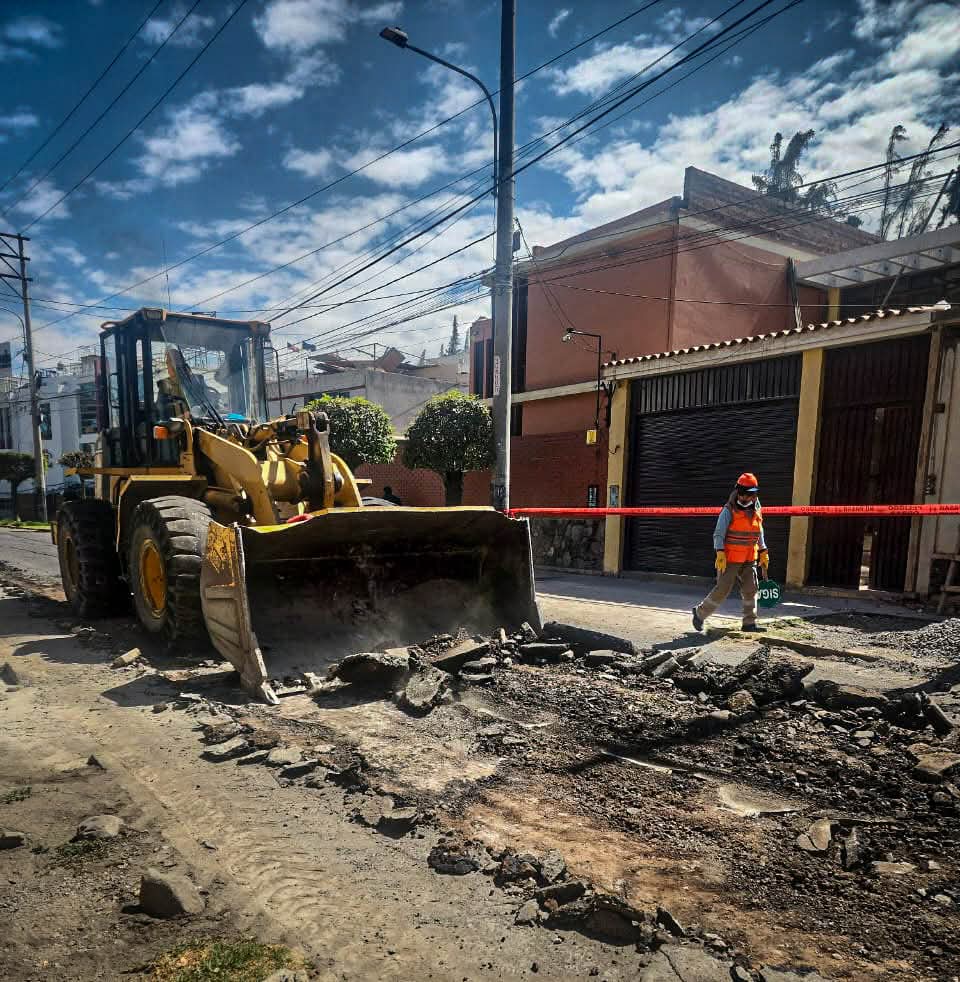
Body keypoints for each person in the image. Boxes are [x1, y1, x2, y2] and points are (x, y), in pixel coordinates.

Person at [692, 472, 770, 633]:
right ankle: (699, 614)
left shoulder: (757, 509)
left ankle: (749, 623)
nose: (743, 497)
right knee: (722, 589)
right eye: (741, 493)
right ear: (737, 491)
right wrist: (720, 552)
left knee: (751, 589)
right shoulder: (728, 510)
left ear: (753, 494)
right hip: (730, 558)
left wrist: (763, 550)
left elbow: (759, 531)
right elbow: (718, 534)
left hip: (749, 557)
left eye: (747, 494)